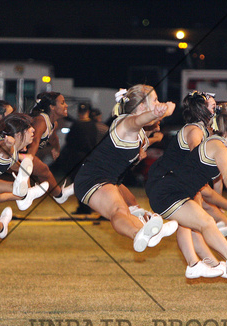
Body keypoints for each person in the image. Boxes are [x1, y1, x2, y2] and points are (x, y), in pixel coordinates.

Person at [146, 102, 227, 277]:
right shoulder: (218, 146)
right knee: (205, 223)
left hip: (176, 194)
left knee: (207, 223)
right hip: (168, 194)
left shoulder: (223, 146)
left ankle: (222, 262)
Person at [74, 84, 173, 252]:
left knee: (127, 209)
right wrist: (159, 112)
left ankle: (148, 232)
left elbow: (139, 145)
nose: (158, 102)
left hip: (108, 179)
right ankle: (139, 233)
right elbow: (138, 120)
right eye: (155, 100)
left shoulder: (138, 132)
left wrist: (154, 132)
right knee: (119, 210)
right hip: (92, 180)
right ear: (142, 106)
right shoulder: (128, 122)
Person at [27, 92, 75, 205]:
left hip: (24, 154)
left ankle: (58, 195)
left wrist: (56, 149)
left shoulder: (53, 123)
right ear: (52, 107)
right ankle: (27, 193)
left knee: (43, 171)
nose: (66, 105)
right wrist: (28, 162)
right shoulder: (41, 121)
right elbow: (34, 142)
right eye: (62, 103)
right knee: (42, 169)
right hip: (15, 153)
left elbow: (53, 139)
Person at [54, 102, 98, 214]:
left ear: (79, 112)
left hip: (77, 158)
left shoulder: (77, 125)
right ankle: (88, 206)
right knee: (87, 183)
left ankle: (84, 207)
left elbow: (70, 141)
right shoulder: (93, 125)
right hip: (89, 157)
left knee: (78, 183)